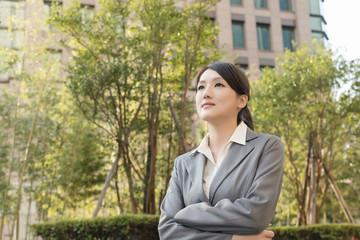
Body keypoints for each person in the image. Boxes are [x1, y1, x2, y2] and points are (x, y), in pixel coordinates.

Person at [158, 62, 284, 240]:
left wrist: (187, 213)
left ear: (242, 100)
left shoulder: (267, 147)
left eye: (218, 84)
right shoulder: (183, 163)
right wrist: (233, 238)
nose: (206, 93)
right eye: (201, 87)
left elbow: (256, 214)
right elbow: (167, 231)